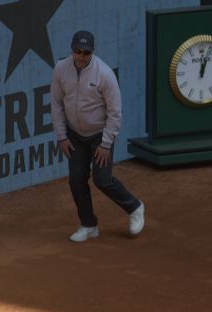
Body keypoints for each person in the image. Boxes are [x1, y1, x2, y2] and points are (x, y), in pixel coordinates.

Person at [51, 30, 145, 243]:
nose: (82, 56)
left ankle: (135, 207)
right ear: (71, 49)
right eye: (78, 51)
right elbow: (56, 104)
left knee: (102, 180)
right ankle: (88, 224)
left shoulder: (104, 74)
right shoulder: (60, 69)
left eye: (86, 52)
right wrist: (62, 136)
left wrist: (106, 143)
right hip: (74, 135)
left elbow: (115, 112)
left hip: (99, 136)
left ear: (93, 52)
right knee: (76, 180)